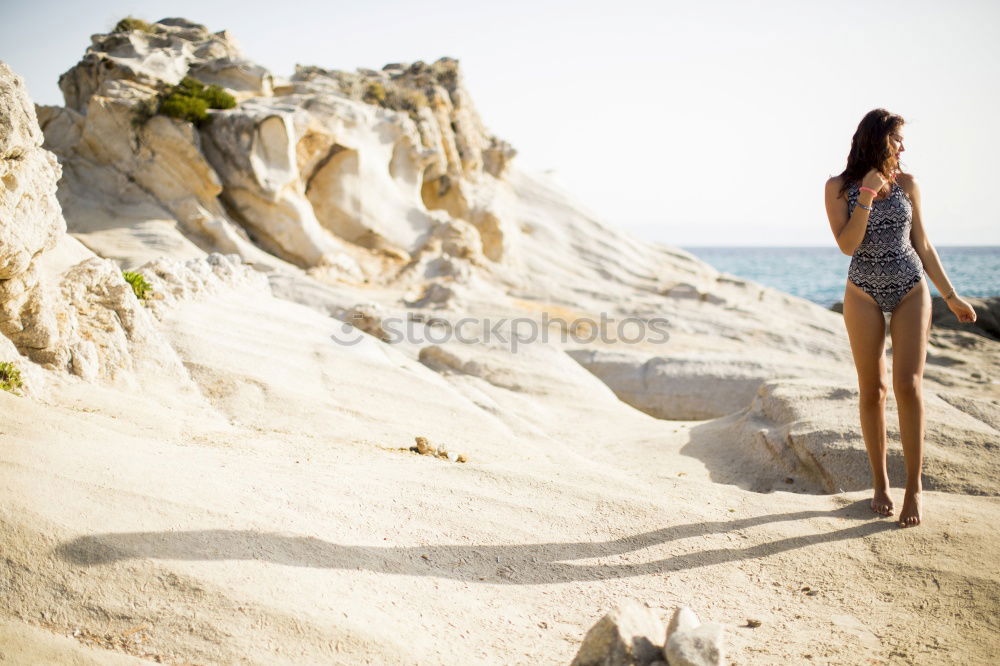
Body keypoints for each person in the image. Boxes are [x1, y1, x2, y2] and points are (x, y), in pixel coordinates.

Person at [823, 108, 976, 528]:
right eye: (896, 140)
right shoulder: (838, 188)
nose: (902, 147)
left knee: (908, 386)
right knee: (873, 391)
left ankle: (914, 488)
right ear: (876, 139)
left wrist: (952, 294)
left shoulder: (909, 184)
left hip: (911, 288)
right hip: (862, 292)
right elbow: (848, 246)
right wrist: (867, 197)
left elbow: (923, 244)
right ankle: (880, 483)